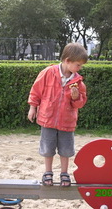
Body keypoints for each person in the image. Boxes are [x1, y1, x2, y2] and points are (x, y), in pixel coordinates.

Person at [27, 43, 88, 187]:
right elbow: (36, 90)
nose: (80, 68)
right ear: (67, 61)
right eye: (78, 65)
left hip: (67, 121)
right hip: (47, 118)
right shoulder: (48, 72)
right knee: (47, 148)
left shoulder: (78, 82)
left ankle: (64, 173)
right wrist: (32, 107)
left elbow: (80, 104)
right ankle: (48, 171)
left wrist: (75, 98)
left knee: (66, 149)